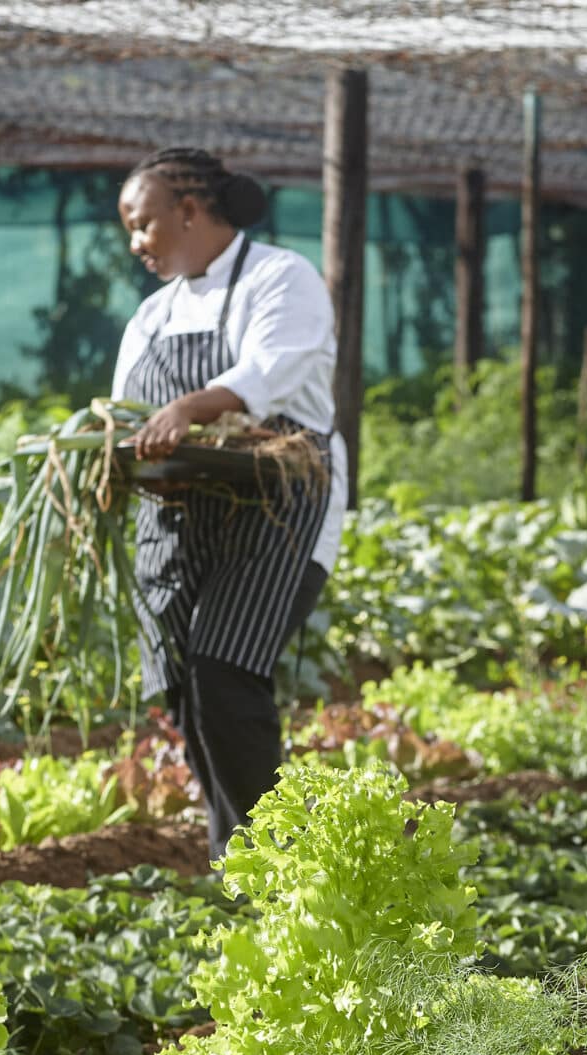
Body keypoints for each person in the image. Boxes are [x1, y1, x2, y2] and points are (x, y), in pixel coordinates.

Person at [112, 146, 346, 858]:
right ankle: (239, 861)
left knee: (225, 673)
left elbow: (265, 375)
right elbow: (128, 415)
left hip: (276, 510)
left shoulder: (281, 278)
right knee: (185, 686)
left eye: (142, 223)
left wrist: (188, 407)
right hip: (180, 518)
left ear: (188, 211)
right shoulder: (153, 315)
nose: (135, 244)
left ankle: (272, 865)